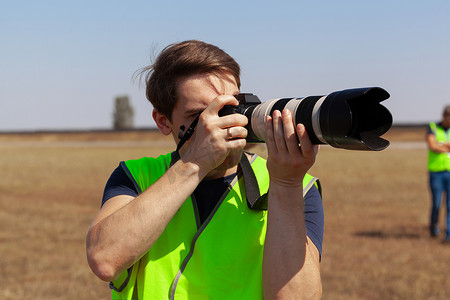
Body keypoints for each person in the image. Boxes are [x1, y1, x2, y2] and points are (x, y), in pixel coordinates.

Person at [86, 40, 324, 299]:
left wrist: (287, 185)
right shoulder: (137, 176)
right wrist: (194, 164)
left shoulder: (296, 186)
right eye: (201, 115)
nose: (220, 124)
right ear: (163, 121)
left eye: (230, 108)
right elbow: (104, 259)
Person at [426, 105, 450, 242]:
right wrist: (445, 146)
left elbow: (437, 145)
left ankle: (448, 234)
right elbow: (433, 146)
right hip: (436, 172)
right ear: (443, 116)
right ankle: (434, 228)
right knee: (436, 203)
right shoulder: (433, 127)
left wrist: (441, 144)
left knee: (449, 205)